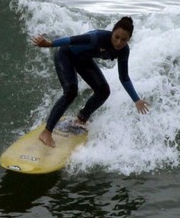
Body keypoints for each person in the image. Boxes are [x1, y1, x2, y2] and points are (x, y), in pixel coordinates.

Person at [32, 17, 149, 147]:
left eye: (124, 39)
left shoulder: (124, 51)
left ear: (129, 39)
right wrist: (49, 44)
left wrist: (136, 100)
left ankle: (81, 119)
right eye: (116, 37)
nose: (119, 42)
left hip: (83, 60)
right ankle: (46, 132)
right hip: (66, 55)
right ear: (112, 32)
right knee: (71, 92)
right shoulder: (97, 37)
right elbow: (71, 40)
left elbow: (124, 77)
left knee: (103, 91)